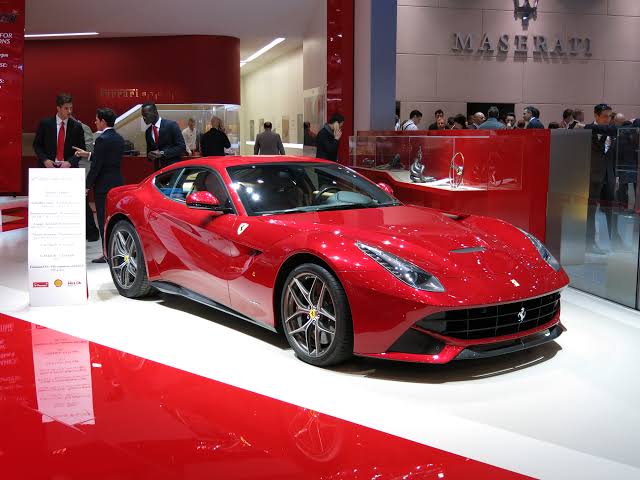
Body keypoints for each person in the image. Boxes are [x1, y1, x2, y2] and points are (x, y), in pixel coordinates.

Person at [33, 92, 99, 242]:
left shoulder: (77, 127)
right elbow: (37, 145)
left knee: (78, 201)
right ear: (58, 108)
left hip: (69, 169)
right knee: (48, 203)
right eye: (66, 108)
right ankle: (47, 234)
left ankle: (89, 232)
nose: (69, 111)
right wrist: (45, 160)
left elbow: (80, 150)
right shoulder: (45, 124)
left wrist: (69, 162)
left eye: (71, 108)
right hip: (48, 169)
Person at [73, 108, 124, 263]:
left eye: (96, 119)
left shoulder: (102, 139)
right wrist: (88, 154)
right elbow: (106, 158)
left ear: (103, 121)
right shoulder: (118, 138)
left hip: (103, 186)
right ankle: (117, 252)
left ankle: (106, 254)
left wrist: (86, 186)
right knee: (115, 219)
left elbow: (97, 166)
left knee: (103, 221)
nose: (95, 122)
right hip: (117, 183)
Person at [584, 103, 619, 253]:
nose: (607, 119)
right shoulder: (587, 131)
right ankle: (589, 242)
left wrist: (616, 176)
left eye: (610, 116)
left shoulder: (612, 131)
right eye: (604, 116)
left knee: (611, 210)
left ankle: (616, 241)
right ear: (596, 115)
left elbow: (614, 156)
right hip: (592, 176)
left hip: (609, 176)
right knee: (590, 212)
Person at [141, 103, 186, 170]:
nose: (144, 118)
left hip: (173, 169)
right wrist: (150, 155)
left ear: (155, 112)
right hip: (158, 171)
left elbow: (181, 147)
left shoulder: (171, 125)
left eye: (146, 114)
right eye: (143, 115)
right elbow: (149, 153)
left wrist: (162, 153)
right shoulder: (148, 132)